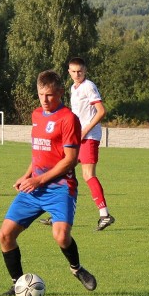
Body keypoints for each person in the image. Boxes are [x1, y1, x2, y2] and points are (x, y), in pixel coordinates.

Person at [0, 70, 97, 296]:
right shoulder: (36, 115)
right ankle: (17, 284)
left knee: (61, 236)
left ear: (61, 93)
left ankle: (76, 269)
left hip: (60, 188)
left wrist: (38, 179)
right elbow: (39, 153)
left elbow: (71, 160)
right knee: (5, 235)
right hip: (34, 186)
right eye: (41, 94)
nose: (44, 99)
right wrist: (27, 175)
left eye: (50, 95)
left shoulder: (68, 119)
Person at [40, 57, 114, 231]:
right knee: (61, 170)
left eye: (79, 71)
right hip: (77, 137)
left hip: (88, 138)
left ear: (85, 70)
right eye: (73, 71)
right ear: (69, 72)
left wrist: (85, 130)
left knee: (88, 175)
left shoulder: (88, 86)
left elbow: (101, 111)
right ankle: (59, 214)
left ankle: (105, 215)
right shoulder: (74, 88)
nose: (76, 74)